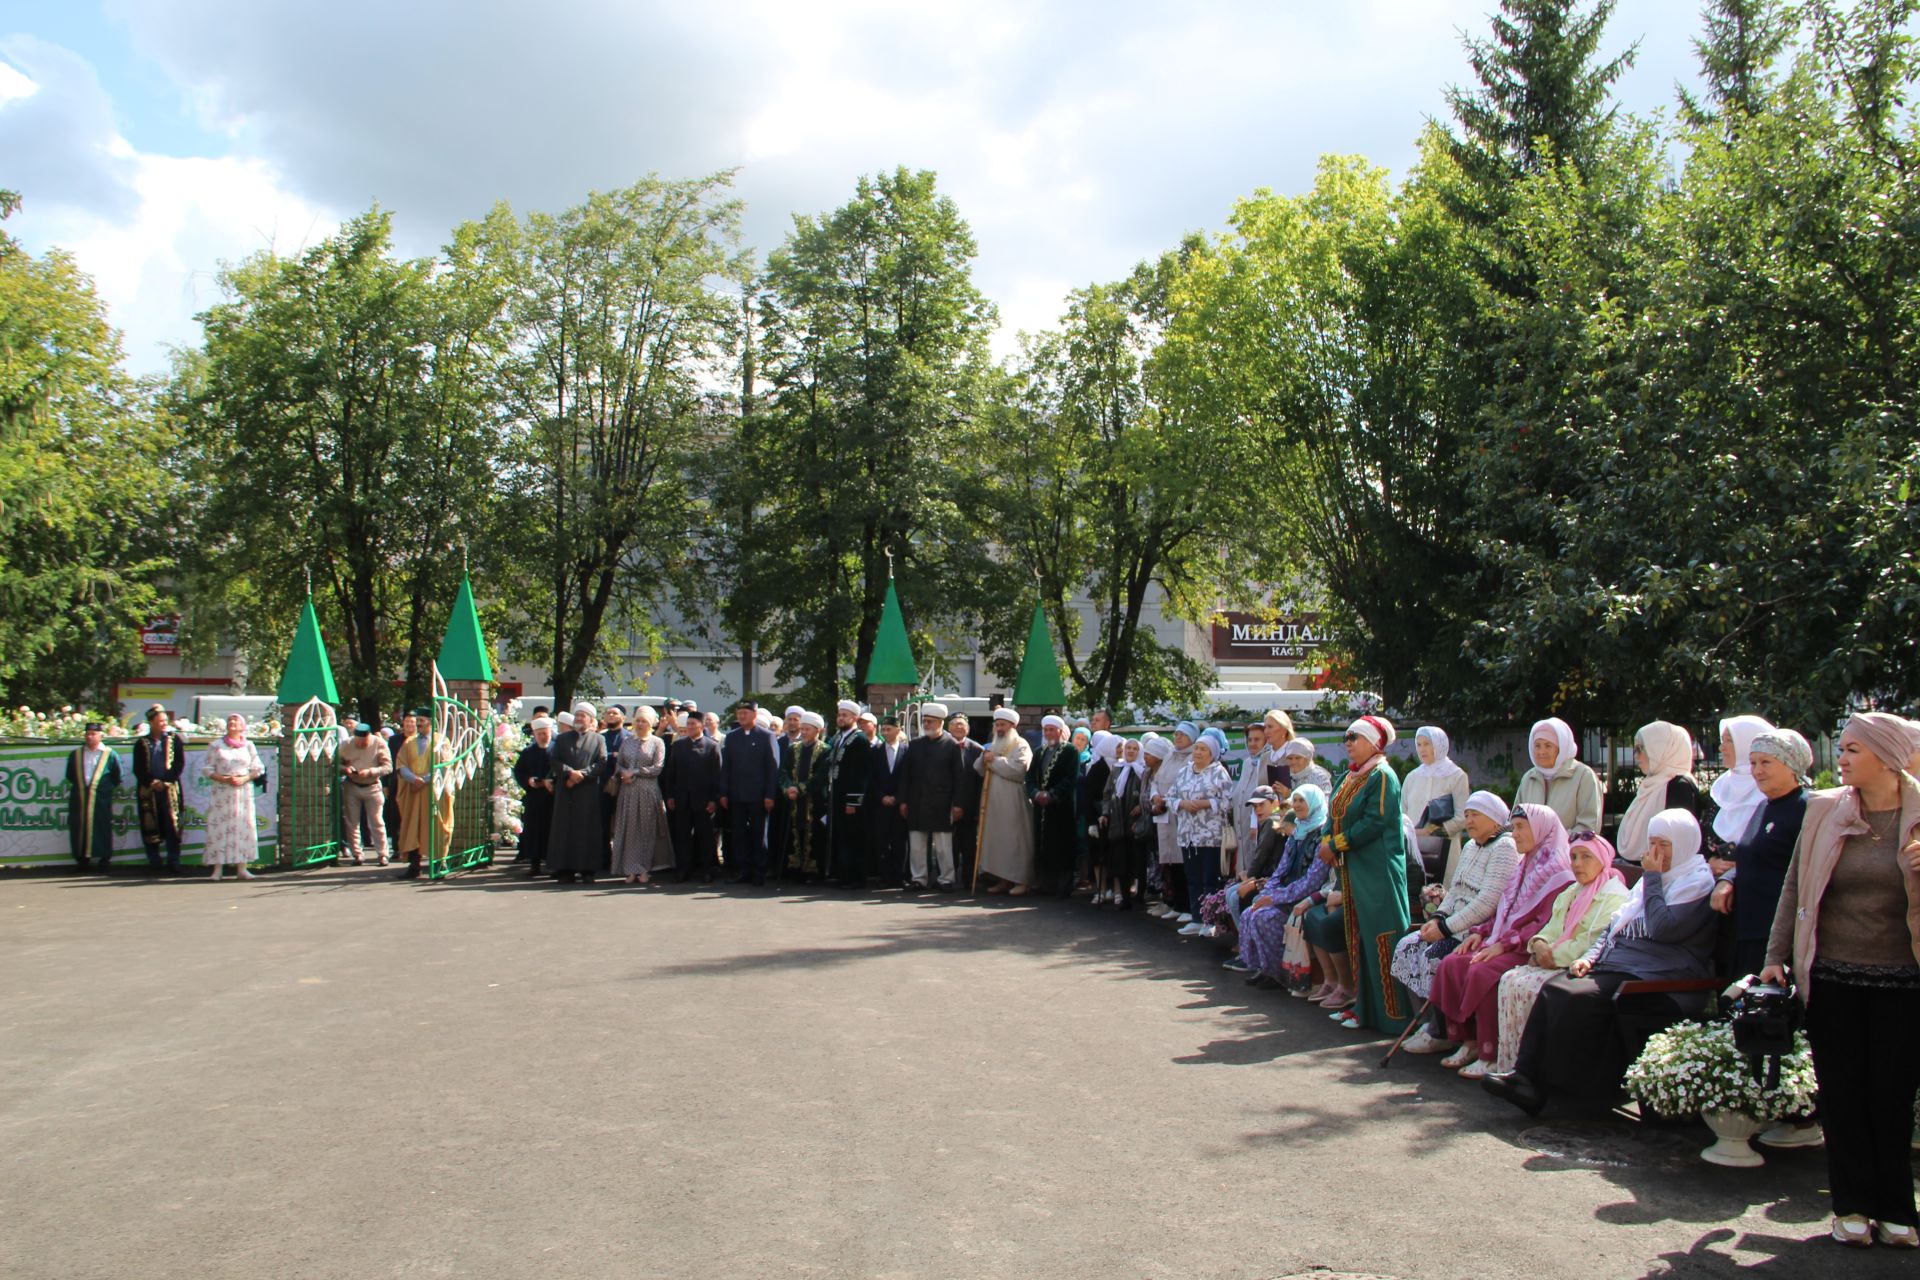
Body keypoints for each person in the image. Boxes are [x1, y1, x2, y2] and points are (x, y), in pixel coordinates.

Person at [1761, 711, 1920, 1248]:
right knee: (1844, 1093)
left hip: (1904, 979)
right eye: (1843, 748)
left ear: (1886, 756)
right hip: (1832, 977)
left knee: (1893, 1095)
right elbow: (1795, 888)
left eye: (1853, 750)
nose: (1841, 758)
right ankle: (1850, 1205)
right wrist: (1774, 954)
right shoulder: (1826, 810)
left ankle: (1898, 1209)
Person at [1486, 809, 1719, 1116]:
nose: (1656, 853)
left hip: (1662, 976)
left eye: (1665, 844)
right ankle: (1527, 1079)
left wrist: (1651, 877)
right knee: (1556, 987)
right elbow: (1615, 928)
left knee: (1571, 995)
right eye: (1652, 844)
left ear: (1686, 844)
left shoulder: (1695, 883)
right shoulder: (1654, 883)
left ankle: (1553, 1086)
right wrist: (1588, 958)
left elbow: (1664, 928)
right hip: (1624, 967)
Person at [1422, 803, 1575, 1077]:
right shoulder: (1525, 865)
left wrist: (1503, 943)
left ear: (1540, 830)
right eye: (1513, 827)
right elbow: (1504, 909)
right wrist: (1480, 934)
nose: (1514, 834)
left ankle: (1489, 1052)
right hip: (1502, 939)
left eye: (1520, 827)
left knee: (1481, 970)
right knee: (1453, 962)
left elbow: (1545, 924)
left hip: (1525, 946)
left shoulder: (1557, 872)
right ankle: (1468, 1043)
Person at [1489, 831, 1629, 1074]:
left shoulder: (1614, 896)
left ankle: (1538, 1071)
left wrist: (1552, 956)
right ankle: (1513, 1066)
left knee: (1532, 988)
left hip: (1579, 964)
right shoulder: (1572, 891)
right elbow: (1551, 928)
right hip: (1553, 958)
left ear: (1602, 859)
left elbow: (1592, 941)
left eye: (1586, 857)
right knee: (1510, 981)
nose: (1577, 864)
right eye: (1573, 857)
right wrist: (1540, 943)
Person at [1320, 716, 1414, 1033]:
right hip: (1354, 869)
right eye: (1346, 737)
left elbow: (1376, 821)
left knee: (1382, 938)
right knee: (1358, 937)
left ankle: (1393, 1016)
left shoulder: (1383, 776)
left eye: (1354, 737)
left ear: (1374, 742)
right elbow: (1333, 813)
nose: (1348, 743)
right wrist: (1326, 840)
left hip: (1378, 870)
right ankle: (1363, 1009)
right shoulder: (1349, 777)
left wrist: (1336, 844)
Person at [1391, 791, 1519, 1017]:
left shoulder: (1505, 847)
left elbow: (1487, 901)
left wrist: (1445, 928)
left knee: (1433, 957)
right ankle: (1424, 1021)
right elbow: (1455, 890)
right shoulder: (1471, 846)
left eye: (1475, 815)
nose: (1468, 821)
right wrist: (1437, 918)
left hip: (1475, 929)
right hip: (1451, 922)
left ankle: (1441, 1028)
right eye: (1467, 815)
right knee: (1406, 947)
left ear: (1494, 817)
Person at [1710, 728, 1813, 984]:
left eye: (1766, 762)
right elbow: (1750, 855)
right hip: (1748, 928)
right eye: (1753, 763)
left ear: (1791, 765)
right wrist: (1729, 880)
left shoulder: (1806, 807)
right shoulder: (1763, 806)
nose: (1757, 771)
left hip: (1780, 934)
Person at [1238, 784, 1332, 989]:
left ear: (1314, 803)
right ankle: (1265, 969)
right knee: (1250, 912)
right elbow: (1280, 871)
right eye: (1295, 800)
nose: (1297, 805)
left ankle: (1283, 974)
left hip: (1306, 897)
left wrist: (1274, 898)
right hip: (1285, 893)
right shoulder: (1297, 833)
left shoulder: (1322, 835)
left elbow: (1312, 881)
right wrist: (1268, 892)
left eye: (1302, 801)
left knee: (1265, 917)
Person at [1214, 785, 1291, 968]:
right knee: (1233, 893)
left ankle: (1249, 952)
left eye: (1261, 805)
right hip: (1269, 877)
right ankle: (1247, 948)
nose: (1257, 810)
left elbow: (1262, 855)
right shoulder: (1270, 822)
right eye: (1255, 807)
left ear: (1275, 803)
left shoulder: (1272, 823)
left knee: (1237, 895)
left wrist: (1250, 876)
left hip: (1275, 880)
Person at [897, 703, 968, 891]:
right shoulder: (915, 745)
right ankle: (918, 878)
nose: (926, 724)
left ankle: (946, 879)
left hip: (942, 803)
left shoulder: (952, 745)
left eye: (930, 721)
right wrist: (903, 801)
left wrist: (958, 804)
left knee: (944, 846)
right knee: (917, 845)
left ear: (940, 722)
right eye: (924, 721)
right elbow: (906, 776)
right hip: (917, 802)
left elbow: (959, 777)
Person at [1169, 733, 1233, 937]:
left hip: (1211, 836)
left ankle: (1211, 921)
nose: (1197, 752)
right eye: (1196, 748)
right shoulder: (1184, 772)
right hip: (1188, 834)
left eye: (1203, 749)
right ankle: (1196, 918)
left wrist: (1206, 803)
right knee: (1193, 878)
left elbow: (1227, 802)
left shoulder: (1219, 773)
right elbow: (1170, 797)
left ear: (1212, 754)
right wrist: (1182, 804)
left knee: (1210, 880)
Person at [1615, 720, 1700, 865]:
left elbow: (1676, 841)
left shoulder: (1679, 786)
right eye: (1635, 749)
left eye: (1641, 749)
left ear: (1661, 749)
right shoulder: (1651, 784)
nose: (1636, 756)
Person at [546, 701, 610, 885]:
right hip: (566, 791)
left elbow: (602, 763)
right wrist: (569, 773)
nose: (580, 719)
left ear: (591, 720)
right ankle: (565, 870)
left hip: (587, 792)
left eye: (583, 716)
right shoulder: (563, 739)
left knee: (587, 830)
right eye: (578, 715)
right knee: (564, 830)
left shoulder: (598, 739)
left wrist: (582, 775)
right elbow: (554, 760)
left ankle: (587, 870)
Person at [976, 706, 1035, 894]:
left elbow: (1019, 770)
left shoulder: (1021, 744)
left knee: (1015, 841)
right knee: (998, 841)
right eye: (997, 725)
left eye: (1002, 725)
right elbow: (978, 768)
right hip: (993, 801)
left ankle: (1021, 881)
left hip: (1013, 800)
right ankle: (1003, 880)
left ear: (1012, 726)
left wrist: (994, 762)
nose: (999, 728)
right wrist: (984, 758)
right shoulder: (993, 744)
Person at [1402, 726, 1471, 884]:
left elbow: (1462, 817)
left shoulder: (1456, 776)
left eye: (1427, 744)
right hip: (1415, 850)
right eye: (1419, 744)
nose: (1422, 749)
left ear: (1439, 744)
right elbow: (1402, 815)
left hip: (1446, 851)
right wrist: (1411, 833)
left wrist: (1431, 832)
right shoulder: (1412, 778)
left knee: (1443, 895)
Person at [721, 701, 781, 886]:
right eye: (739, 713)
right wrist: (724, 793)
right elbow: (726, 768)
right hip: (737, 795)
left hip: (758, 796)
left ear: (754, 715)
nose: (741, 716)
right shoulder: (732, 737)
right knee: (738, 834)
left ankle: (759, 871)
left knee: (758, 834)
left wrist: (770, 795)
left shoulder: (766, 736)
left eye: (745, 713)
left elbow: (772, 768)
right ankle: (741, 870)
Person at [199, 714, 264, 880]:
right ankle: (217, 869)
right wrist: (225, 779)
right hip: (222, 791)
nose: (233, 723)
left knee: (242, 826)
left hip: (242, 791)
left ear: (243, 726)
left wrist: (244, 778)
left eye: (236, 721)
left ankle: (242, 867)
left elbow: (257, 768)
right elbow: (207, 769)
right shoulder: (216, 745)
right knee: (219, 827)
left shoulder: (248, 745)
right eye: (230, 721)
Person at [610, 705, 669, 886]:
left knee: (646, 830)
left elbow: (657, 768)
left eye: (644, 721)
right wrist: (623, 773)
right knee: (628, 831)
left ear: (651, 723)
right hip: (628, 792)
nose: (641, 724)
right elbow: (619, 764)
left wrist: (634, 772)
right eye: (638, 721)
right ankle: (630, 869)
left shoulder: (657, 742)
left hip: (647, 791)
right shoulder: (627, 742)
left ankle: (644, 868)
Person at [1513, 717, 1602, 835]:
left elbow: (1589, 825)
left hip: (1569, 851)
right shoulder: (1528, 778)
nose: (1541, 752)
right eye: (1537, 745)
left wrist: (1554, 844)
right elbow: (1516, 820)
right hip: (1532, 852)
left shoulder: (1583, 776)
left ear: (1560, 748)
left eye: (1548, 745)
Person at [662, 708, 722, 883]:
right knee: (682, 836)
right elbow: (670, 774)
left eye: (693, 724)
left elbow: (717, 775)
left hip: (704, 801)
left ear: (702, 726)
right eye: (687, 724)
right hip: (682, 799)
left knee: (705, 837)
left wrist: (714, 799)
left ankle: (706, 869)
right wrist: (670, 796)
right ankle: (684, 869)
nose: (689, 727)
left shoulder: (712, 746)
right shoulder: (679, 746)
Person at [393, 710, 454, 880]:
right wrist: (413, 779)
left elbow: (444, 765)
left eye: (421, 720)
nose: (418, 724)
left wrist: (425, 779)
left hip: (434, 792)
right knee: (412, 826)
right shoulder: (409, 742)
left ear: (430, 721)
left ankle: (438, 863)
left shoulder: (441, 741)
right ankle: (414, 865)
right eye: (417, 720)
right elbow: (401, 763)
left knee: (436, 825)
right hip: (413, 792)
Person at [1709, 714, 1777, 863]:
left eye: (1729, 740)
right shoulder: (1721, 789)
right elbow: (1704, 842)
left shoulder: (1771, 791)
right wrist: (1711, 862)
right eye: (1722, 740)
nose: (1722, 747)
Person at [1027, 714, 1080, 896]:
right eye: (1046, 730)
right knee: (1043, 843)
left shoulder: (1070, 751)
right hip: (1041, 807)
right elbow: (1030, 777)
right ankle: (1045, 883)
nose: (1049, 733)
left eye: (1052, 730)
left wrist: (1052, 794)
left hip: (1061, 807)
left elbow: (1070, 779)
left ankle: (1063, 885)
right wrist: (1035, 793)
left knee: (1061, 844)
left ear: (1060, 731)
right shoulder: (1039, 752)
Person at [132, 705, 187, 873]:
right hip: (149, 790)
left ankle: (173, 860)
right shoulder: (142, 743)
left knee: (172, 824)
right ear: (151, 723)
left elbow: (179, 764)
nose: (164, 724)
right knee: (150, 824)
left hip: (169, 789)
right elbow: (138, 768)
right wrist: (152, 782)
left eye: (165, 721)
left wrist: (165, 781)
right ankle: (154, 860)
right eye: (160, 721)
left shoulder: (174, 739)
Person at [777, 711, 831, 881]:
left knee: (814, 834)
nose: (804, 733)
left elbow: (821, 777)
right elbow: (783, 772)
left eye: (808, 729)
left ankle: (812, 870)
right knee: (794, 832)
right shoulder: (794, 748)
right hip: (793, 801)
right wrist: (788, 789)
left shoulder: (825, 750)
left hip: (814, 800)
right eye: (803, 729)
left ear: (817, 731)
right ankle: (794, 867)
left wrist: (799, 789)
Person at [65, 721, 122, 873]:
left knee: (102, 826)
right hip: (80, 798)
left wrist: (103, 789)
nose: (90, 737)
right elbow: (70, 775)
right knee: (79, 826)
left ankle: (104, 860)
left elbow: (117, 776)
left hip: (101, 798)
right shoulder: (76, 754)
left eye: (93, 734)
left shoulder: (109, 754)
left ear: (100, 735)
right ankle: (82, 859)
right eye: (87, 734)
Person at [826, 701, 872, 887]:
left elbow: (861, 773)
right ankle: (842, 873)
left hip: (850, 799)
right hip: (837, 795)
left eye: (845, 715)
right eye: (839, 715)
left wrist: (854, 801)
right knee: (841, 836)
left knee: (853, 837)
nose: (841, 718)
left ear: (854, 718)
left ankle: (855, 877)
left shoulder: (859, 740)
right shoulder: (838, 738)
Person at [1100, 736, 1148, 909]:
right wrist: (1105, 813)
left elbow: (1147, 794)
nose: (1131, 751)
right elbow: (1107, 793)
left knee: (1138, 861)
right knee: (1122, 861)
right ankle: (1125, 897)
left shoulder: (1143, 771)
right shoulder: (1117, 769)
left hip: (1136, 822)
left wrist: (1141, 807)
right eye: (1128, 748)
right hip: (1118, 821)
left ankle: (1140, 896)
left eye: (1135, 749)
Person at [337, 721, 392, 866]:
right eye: (358, 740)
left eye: (364, 740)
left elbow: (388, 767)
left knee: (376, 821)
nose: (360, 743)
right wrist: (345, 769)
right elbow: (336, 763)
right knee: (352, 822)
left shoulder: (378, 743)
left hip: (372, 785)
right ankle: (357, 854)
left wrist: (371, 771)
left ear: (369, 736)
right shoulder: (347, 744)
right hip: (352, 785)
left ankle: (382, 854)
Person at [1144, 735, 1185, 917]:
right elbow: (1154, 787)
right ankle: (1169, 901)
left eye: (1149, 753)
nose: (1145, 756)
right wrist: (1155, 798)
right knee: (1165, 863)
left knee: (1176, 863)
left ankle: (1178, 903)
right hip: (1159, 818)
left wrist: (1164, 799)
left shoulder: (1176, 765)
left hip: (1174, 818)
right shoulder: (1150, 772)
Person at [867, 716, 909, 886]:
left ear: (898, 730)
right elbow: (871, 779)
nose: (885, 732)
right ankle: (884, 876)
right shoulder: (875, 751)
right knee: (882, 841)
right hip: (880, 804)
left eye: (888, 729)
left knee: (900, 842)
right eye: (883, 729)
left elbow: (908, 778)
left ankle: (899, 876)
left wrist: (899, 798)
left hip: (900, 805)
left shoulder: (907, 751)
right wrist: (881, 796)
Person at [513, 717, 556, 878]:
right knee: (534, 831)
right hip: (534, 798)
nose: (542, 737)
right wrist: (529, 781)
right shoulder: (528, 752)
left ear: (550, 732)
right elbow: (519, 771)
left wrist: (549, 782)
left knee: (552, 831)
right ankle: (535, 864)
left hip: (552, 798)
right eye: (539, 734)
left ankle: (552, 864)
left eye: (545, 733)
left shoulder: (556, 750)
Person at [1082, 732, 1121, 903]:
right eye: (1118, 746)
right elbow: (1088, 796)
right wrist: (1091, 822)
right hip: (1099, 817)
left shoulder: (1123, 766)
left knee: (1117, 855)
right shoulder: (1098, 768)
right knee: (1098, 856)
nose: (1121, 750)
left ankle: (1118, 891)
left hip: (1117, 818)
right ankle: (1101, 890)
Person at [949, 715, 985, 887]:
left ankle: (969, 879)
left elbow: (980, 782)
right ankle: (948, 878)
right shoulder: (942, 746)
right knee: (949, 846)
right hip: (946, 807)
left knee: (969, 846)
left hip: (969, 808)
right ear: (948, 727)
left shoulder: (977, 750)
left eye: (962, 724)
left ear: (968, 729)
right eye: (955, 724)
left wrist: (977, 807)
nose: (958, 727)